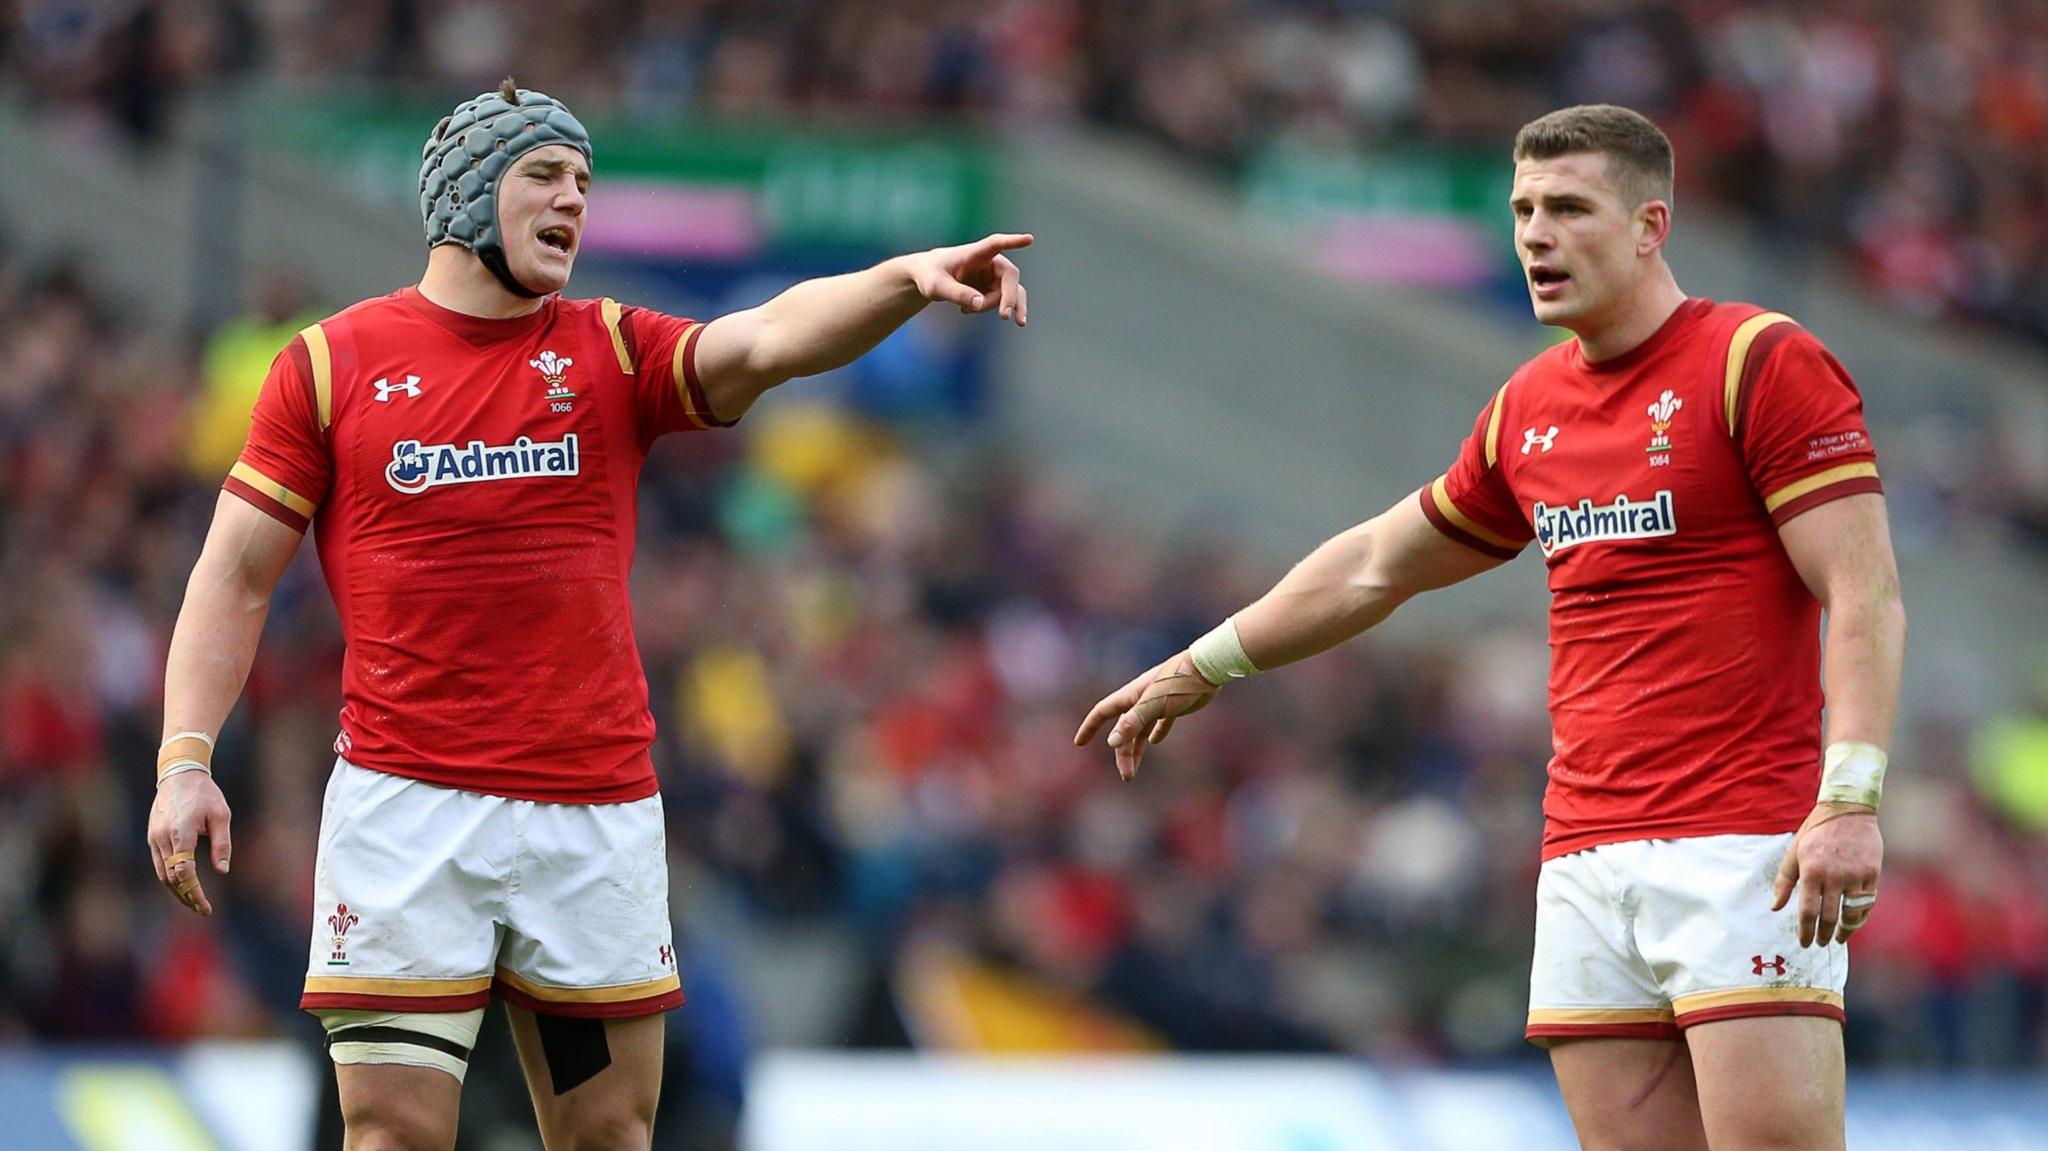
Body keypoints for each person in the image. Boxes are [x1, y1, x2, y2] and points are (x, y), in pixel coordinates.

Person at [147, 79, 1030, 1151]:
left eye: (584, 182)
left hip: (588, 821)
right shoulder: (330, 366)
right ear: (468, 192)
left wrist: (901, 280)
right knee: (390, 1131)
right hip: (406, 812)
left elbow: (764, 341)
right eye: (546, 176)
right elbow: (231, 578)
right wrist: (184, 759)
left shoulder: (611, 350)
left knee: (609, 1132)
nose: (574, 199)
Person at [1077, 104, 1902, 1150]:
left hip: (1739, 845)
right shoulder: (1528, 407)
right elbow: (1379, 562)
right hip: (1582, 855)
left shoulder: (1756, 360)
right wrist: (1205, 662)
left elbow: (1863, 590)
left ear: (1650, 224)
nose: (1533, 234)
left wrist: (1847, 799)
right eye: (1520, 210)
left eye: (1566, 207)